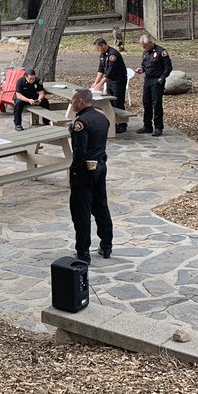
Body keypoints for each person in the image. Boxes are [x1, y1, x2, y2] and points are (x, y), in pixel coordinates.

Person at [68, 88, 113, 263]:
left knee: (81, 211)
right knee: (101, 206)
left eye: (73, 101)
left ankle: (83, 251)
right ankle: (106, 244)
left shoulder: (81, 123)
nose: (71, 104)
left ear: (80, 101)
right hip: (100, 167)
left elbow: (80, 151)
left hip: (85, 172)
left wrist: (74, 171)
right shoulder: (102, 117)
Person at [134, 33, 173, 137]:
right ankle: (147, 125)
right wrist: (141, 70)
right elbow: (145, 66)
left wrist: (162, 78)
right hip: (148, 80)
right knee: (146, 103)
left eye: (144, 46)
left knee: (156, 104)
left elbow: (168, 67)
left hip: (157, 80)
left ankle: (158, 127)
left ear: (150, 43)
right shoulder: (145, 53)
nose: (144, 48)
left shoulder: (161, 52)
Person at [91, 37, 128, 133]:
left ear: (103, 45)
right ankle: (113, 123)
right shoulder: (102, 55)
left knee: (118, 102)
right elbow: (101, 70)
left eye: (98, 48)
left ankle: (122, 124)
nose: (97, 50)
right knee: (110, 102)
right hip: (110, 81)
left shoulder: (113, 55)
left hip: (118, 81)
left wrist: (100, 84)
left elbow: (110, 73)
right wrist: (96, 82)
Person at [11, 67, 53, 131]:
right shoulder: (20, 81)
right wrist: (28, 100)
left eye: (33, 79)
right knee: (18, 104)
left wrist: (39, 99)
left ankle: (46, 121)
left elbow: (41, 93)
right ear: (26, 76)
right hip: (23, 98)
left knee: (45, 102)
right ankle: (18, 124)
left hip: (34, 98)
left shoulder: (38, 81)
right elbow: (18, 95)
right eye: (30, 79)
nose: (32, 80)